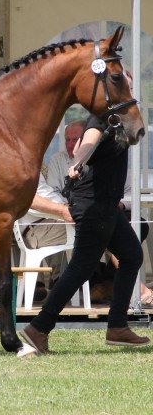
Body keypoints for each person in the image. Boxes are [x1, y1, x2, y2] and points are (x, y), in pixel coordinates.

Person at [21, 113, 151, 354]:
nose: (127, 86)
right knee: (81, 267)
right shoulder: (102, 118)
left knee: (131, 255)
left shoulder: (119, 117)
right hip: (93, 204)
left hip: (106, 203)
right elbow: (86, 143)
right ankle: (38, 328)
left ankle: (117, 326)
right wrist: (76, 162)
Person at [47, 119, 153, 304]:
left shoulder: (109, 154)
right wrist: (71, 206)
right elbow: (52, 193)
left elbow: (129, 191)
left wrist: (120, 204)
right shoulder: (58, 160)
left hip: (108, 210)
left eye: (75, 139)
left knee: (139, 227)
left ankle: (111, 284)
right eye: (68, 140)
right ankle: (43, 321)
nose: (71, 144)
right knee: (87, 260)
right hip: (78, 214)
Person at [16, 172, 74, 302]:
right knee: (100, 226)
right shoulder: (21, 168)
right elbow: (30, 199)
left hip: (44, 224)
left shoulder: (28, 165)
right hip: (38, 228)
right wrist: (65, 209)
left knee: (103, 224)